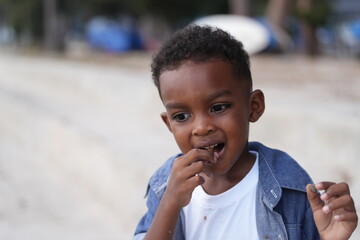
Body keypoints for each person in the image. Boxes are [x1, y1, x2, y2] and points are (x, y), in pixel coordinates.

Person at [133, 25, 358, 240]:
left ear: (254, 106)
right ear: (169, 124)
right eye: (181, 116)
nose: (201, 127)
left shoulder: (288, 187)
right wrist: (170, 204)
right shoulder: (166, 186)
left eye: (218, 107)